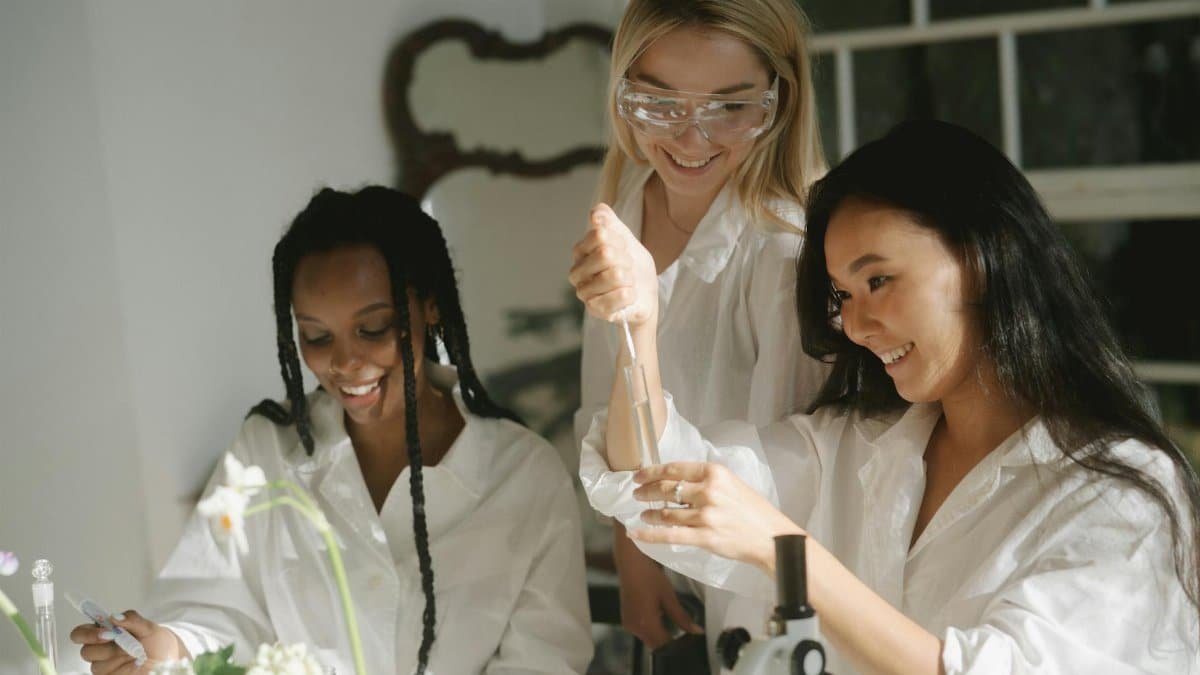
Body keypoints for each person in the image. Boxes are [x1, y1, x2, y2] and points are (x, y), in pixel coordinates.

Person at [575, 120, 1200, 673]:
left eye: (879, 280)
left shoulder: (1122, 495)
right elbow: (649, 480)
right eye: (843, 294)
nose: (855, 323)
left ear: (984, 257)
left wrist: (782, 551)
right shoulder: (855, 447)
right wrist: (636, 327)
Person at [72, 187, 592, 674]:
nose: (344, 362)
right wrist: (168, 646)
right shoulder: (266, 451)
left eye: (373, 328)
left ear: (429, 304)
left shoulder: (524, 478)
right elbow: (217, 610)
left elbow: (542, 662)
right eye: (316, 336)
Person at [569, 0, 828, 665]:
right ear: (622, 93)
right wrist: (633, 549)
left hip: (768, 600)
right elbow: (604, 401)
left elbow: (784, 488)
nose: (690, 141)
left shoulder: (782, 256)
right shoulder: (628, 205)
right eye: (659, 106)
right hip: (668, 579)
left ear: (781, 99)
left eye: (730, 108)